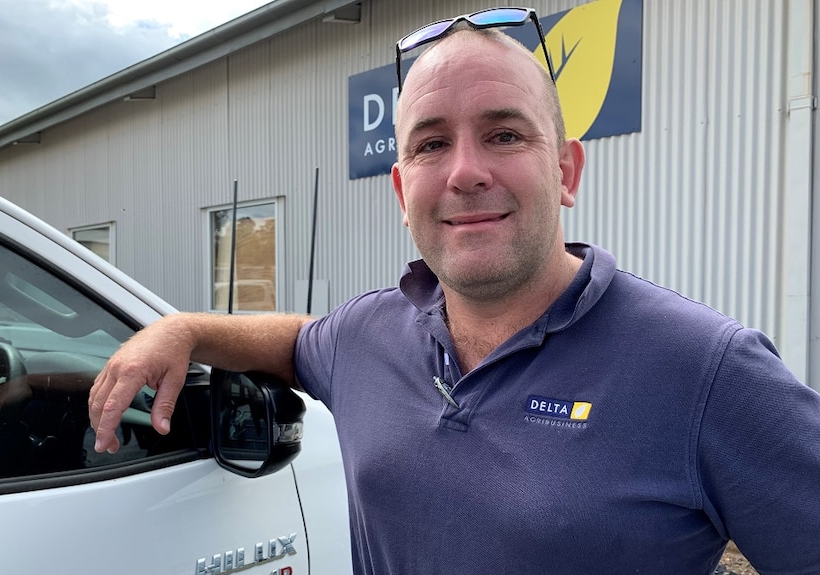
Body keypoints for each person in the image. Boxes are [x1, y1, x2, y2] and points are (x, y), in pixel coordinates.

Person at [90, 9, 820, 574]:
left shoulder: (707, 370)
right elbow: (290, 341)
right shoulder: (367, 335)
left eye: (504, 134)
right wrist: (182, 329)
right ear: (403, 189)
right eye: (432, 143)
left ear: (566, 171)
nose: (465, 171)